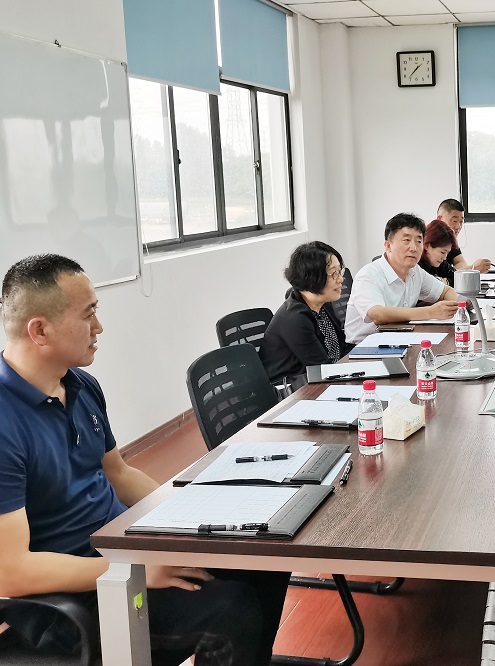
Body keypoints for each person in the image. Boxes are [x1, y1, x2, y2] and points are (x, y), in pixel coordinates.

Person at [0, 254, 289, 665]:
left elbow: (118, 473)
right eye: (88, 314)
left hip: (122, 551)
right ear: (40, 330)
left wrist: (195, 516)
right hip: (72, 599)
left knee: (263, 562)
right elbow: (11, 572)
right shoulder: (5, 422)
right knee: (233, 609)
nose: (99, 327)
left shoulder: (81, 385)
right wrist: (135, 569)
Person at [346, 213, 461, 343]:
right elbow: (377, 314)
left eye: (418, 241)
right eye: (406, 240)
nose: (414, 248)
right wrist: (430, 312)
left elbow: (445, 291)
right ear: (388, 246)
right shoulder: (368, 275)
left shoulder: (415, 271)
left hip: (398, 340)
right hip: (363, 347)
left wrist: (463, 302)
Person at [258, 241, 349, 386]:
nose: (340, 279)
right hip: (292, 391)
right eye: (333, 273)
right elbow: (321, 369)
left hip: (322, 380)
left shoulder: (323, 304)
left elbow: (341, 350)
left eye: (339, 271)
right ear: (312, 277)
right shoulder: (294, 318)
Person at [434, 199, 491, 278]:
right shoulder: (431, 240)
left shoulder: (451, 240)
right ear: (440, 219)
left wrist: (466, 270)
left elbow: (459, 263)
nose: (458, 226)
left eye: (461, 222)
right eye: (454, 221)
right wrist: (473, 268)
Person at [419, 219, 458, 286]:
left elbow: (458, 278)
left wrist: (445, 282)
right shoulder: (415, 266)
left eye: (447, 253)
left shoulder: (440, 264)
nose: (444, 258)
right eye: (442, 252)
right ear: (427, 246)